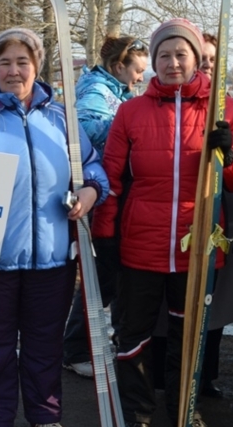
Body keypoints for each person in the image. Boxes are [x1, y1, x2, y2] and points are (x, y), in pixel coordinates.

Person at [91, 19, 233, 427]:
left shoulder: (224, 108)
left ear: (197, 58)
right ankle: (139, 412)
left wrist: (229, 155)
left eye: (181, 54)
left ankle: (184, 407)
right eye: (163, 55)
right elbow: (111, 177)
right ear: (154, 61)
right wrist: (106, 237)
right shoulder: (131, 111)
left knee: (188, 338)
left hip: (198, 243)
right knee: (135, 335)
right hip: (141, 244)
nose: (172, 62)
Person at [0, 28, 109, 427]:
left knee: (44, 349)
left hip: (53, 262)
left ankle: (45, 417)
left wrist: (90, 192)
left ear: (36, 67)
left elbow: (92, 168)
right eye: (5, 62)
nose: (13, 71)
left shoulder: (62, 119)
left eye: (23, 62)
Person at [62, 35, 148, 379]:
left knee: (108, 279)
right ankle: (76, 348)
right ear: (119, 67)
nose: (140, 78)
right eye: (137, 71)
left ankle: (85, 343)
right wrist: (131, 127)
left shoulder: (115, 91)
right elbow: (83, 131)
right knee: (103, 279)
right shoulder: (98, 91)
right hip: (97, 196)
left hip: (108, 194)